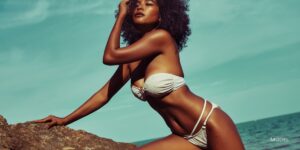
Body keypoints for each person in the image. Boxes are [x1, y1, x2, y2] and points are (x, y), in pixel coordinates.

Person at [32, 0, 245, 149]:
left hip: (210, 124)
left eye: (149, 3)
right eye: (136, 3)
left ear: (162, 15)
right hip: (184, 138)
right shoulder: (132, 57)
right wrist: (65, 120)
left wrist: (121, 15)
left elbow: (109, 56)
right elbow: (104, 94)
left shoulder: (161, 38)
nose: (140, 6)